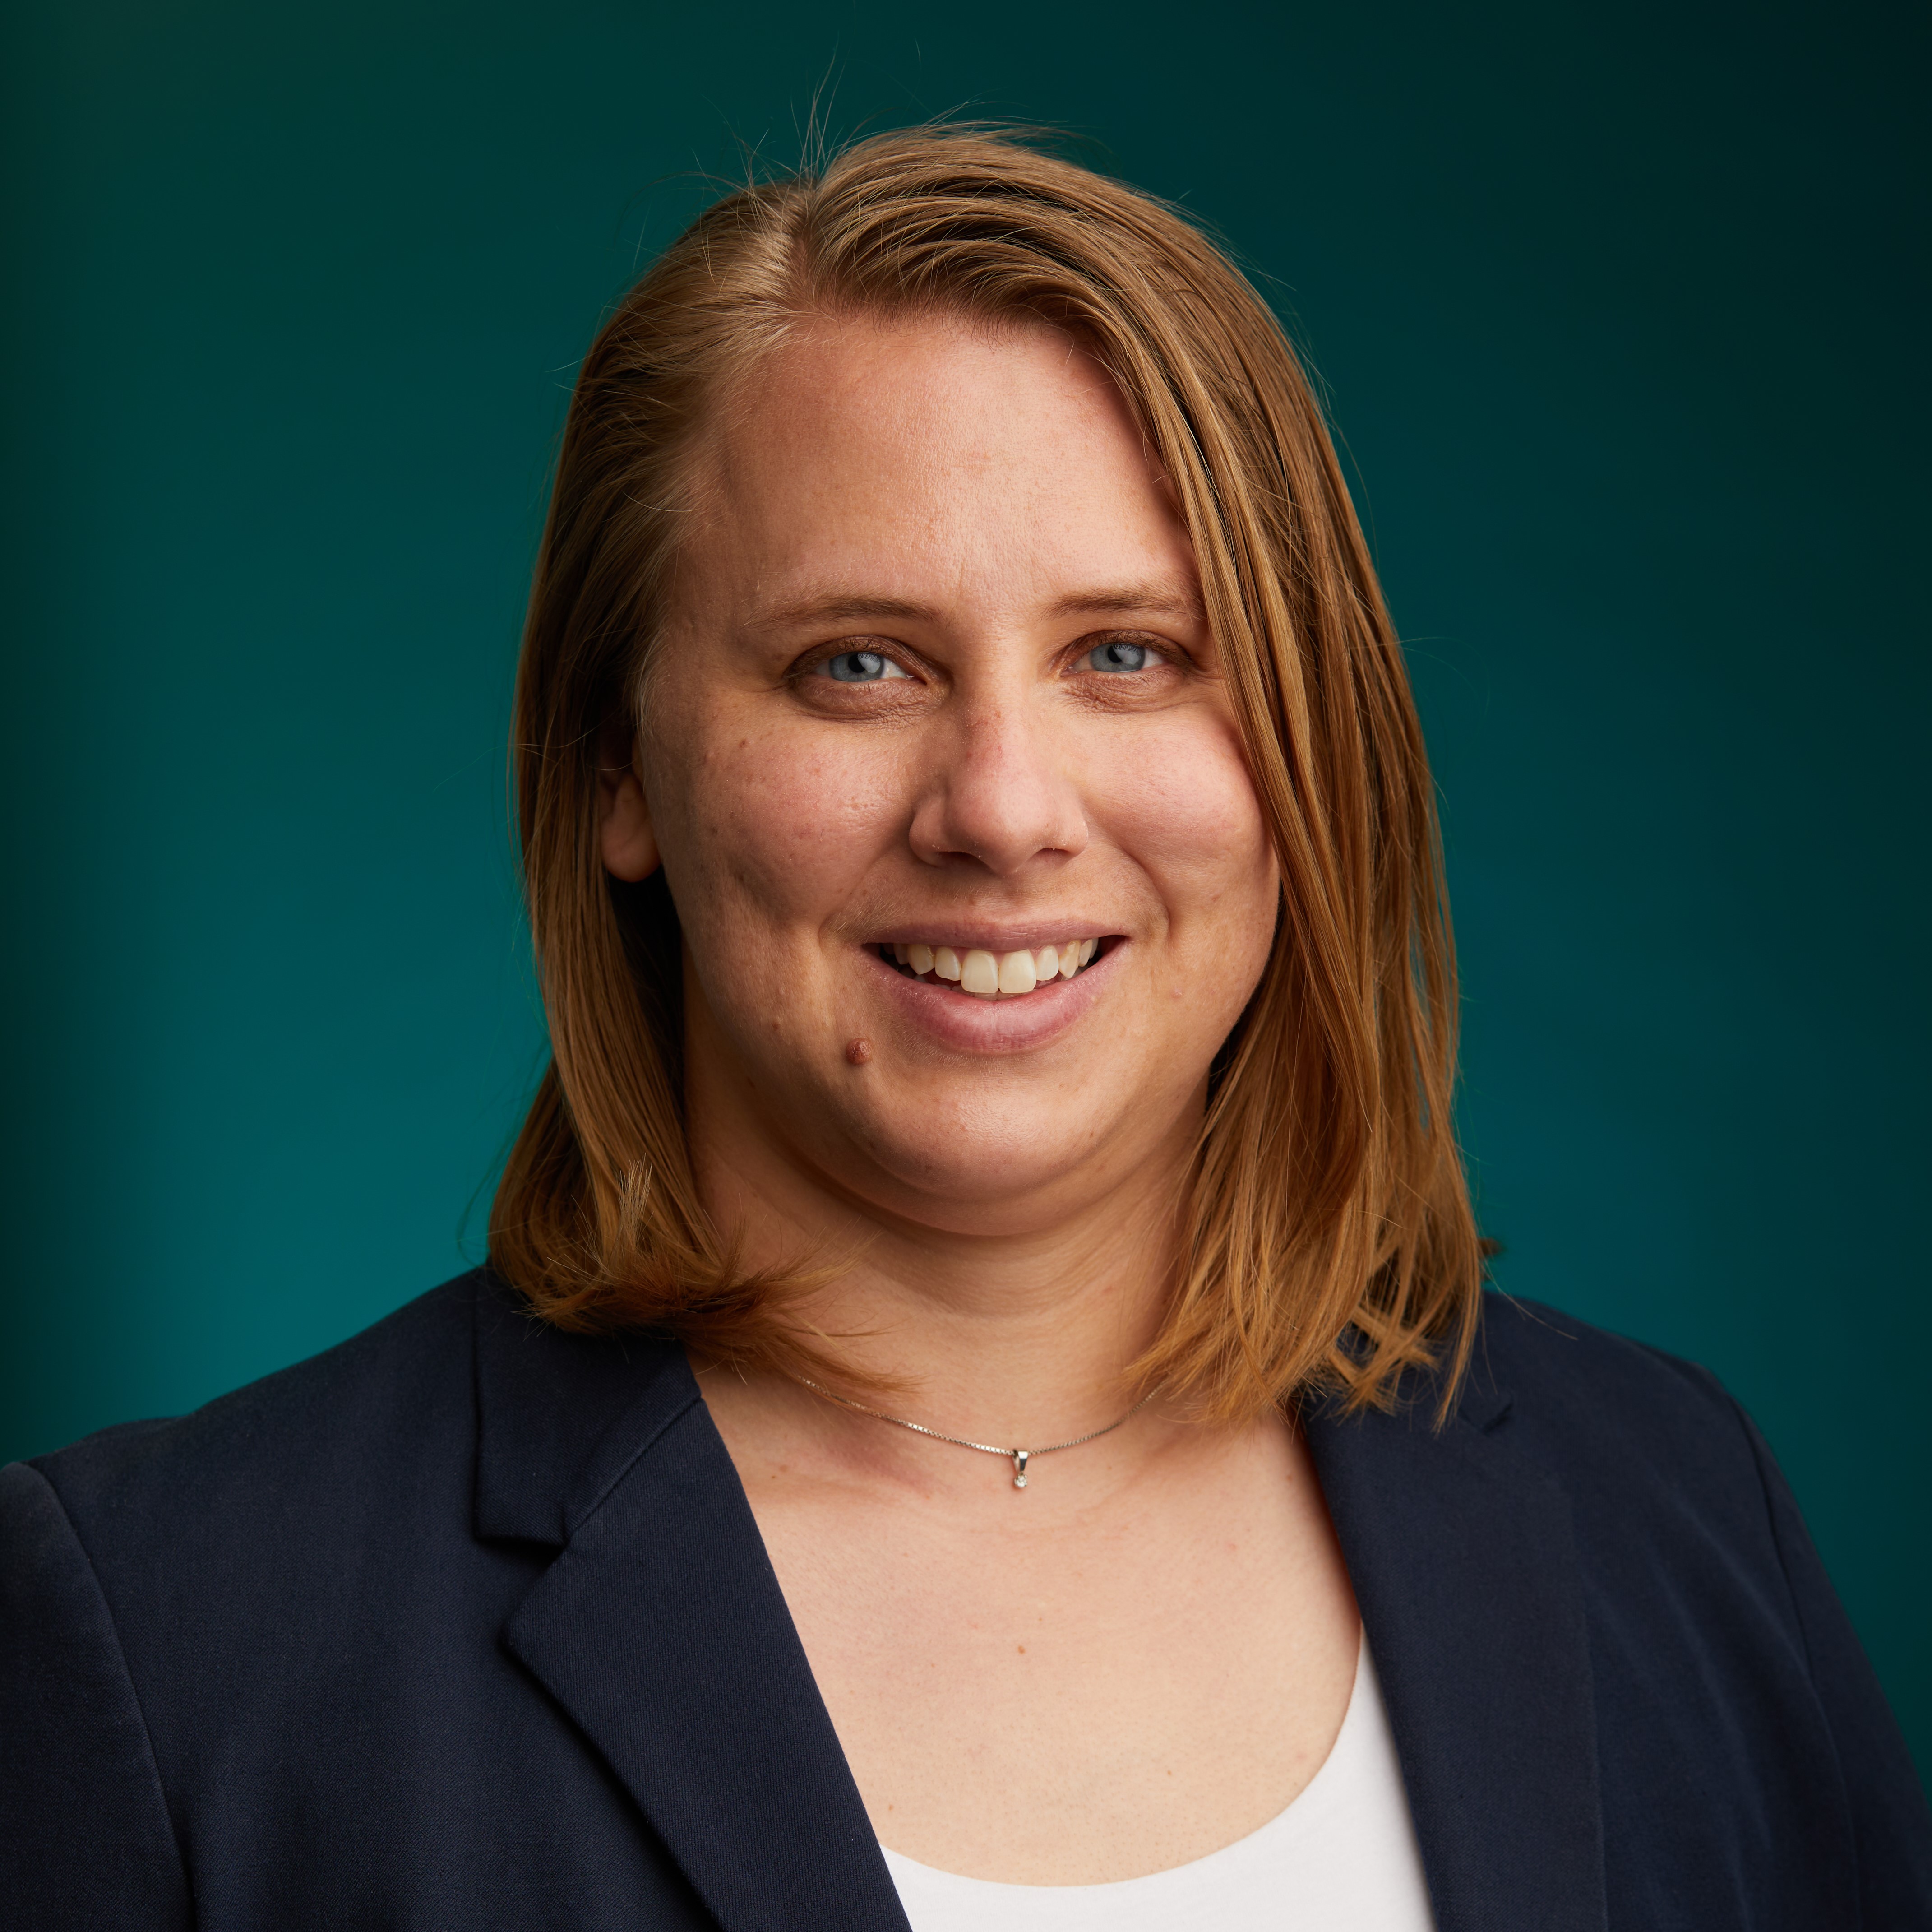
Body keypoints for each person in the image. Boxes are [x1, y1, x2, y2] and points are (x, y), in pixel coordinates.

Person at [3, 126, 1927, 1932]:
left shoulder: (1677, 1518)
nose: (1004, 808)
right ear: (618, 767)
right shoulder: (177, 1637)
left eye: (1131, 655)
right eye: (858, 664)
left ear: (1305, 753)